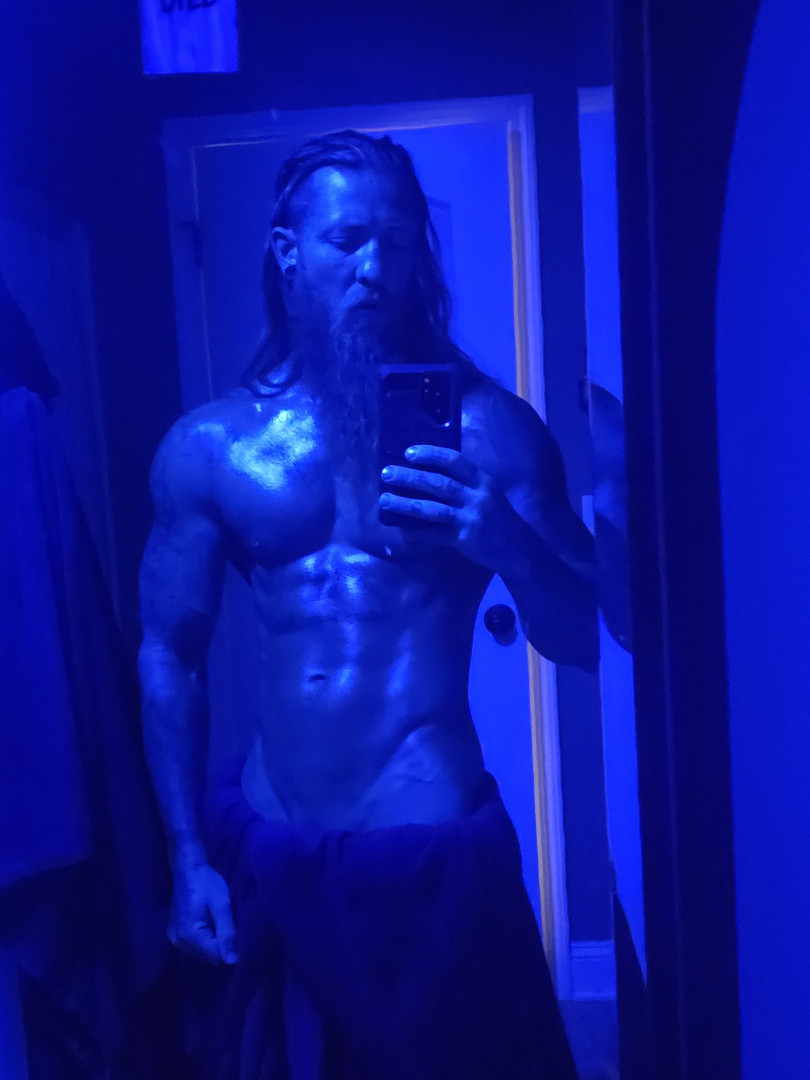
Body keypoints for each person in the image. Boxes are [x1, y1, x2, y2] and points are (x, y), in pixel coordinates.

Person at [138, 130, 598, 1079]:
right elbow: (168, 655)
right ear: (287, 253)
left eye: (398, 241)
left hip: (430, 863)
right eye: (348, 240)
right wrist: (186, 859)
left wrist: (505, 543)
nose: (377, 268)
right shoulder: (212, 449)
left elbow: (585, 636)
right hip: (270, 853)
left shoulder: (495, 434)